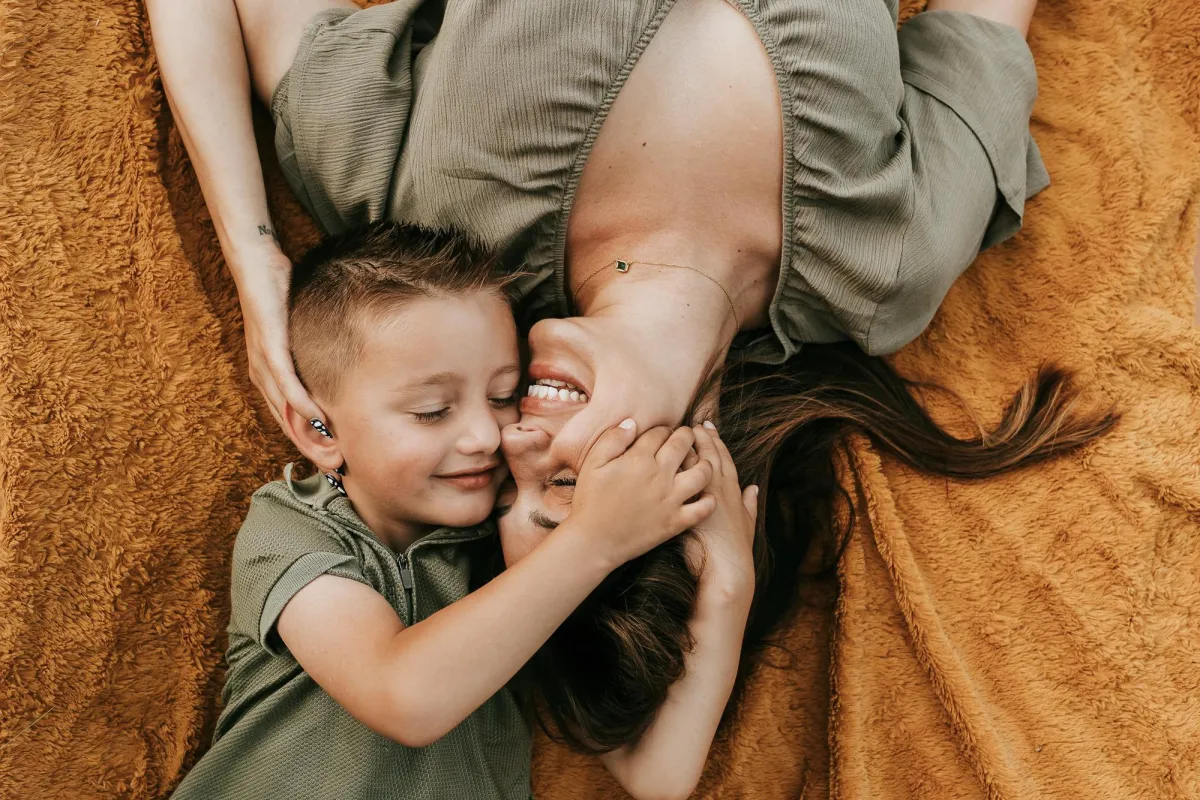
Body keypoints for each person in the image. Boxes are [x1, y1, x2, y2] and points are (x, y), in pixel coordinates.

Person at [148, 0, 1115, 765]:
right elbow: (984, 23)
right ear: (689, 483)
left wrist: (256, 265)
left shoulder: (436, 242)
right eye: (564, 486)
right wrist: (723, 593)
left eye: (505, 491)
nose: (510, 442)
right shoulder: (884, 273)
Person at [169, 223, 756, 800]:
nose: (484, 435)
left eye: (503, 396)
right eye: (431, 411)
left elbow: (656, 776)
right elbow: (404, 698)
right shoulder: (294, 528)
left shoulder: (507, 564)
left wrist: (728, 584)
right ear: (321, 433)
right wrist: (598, 538)